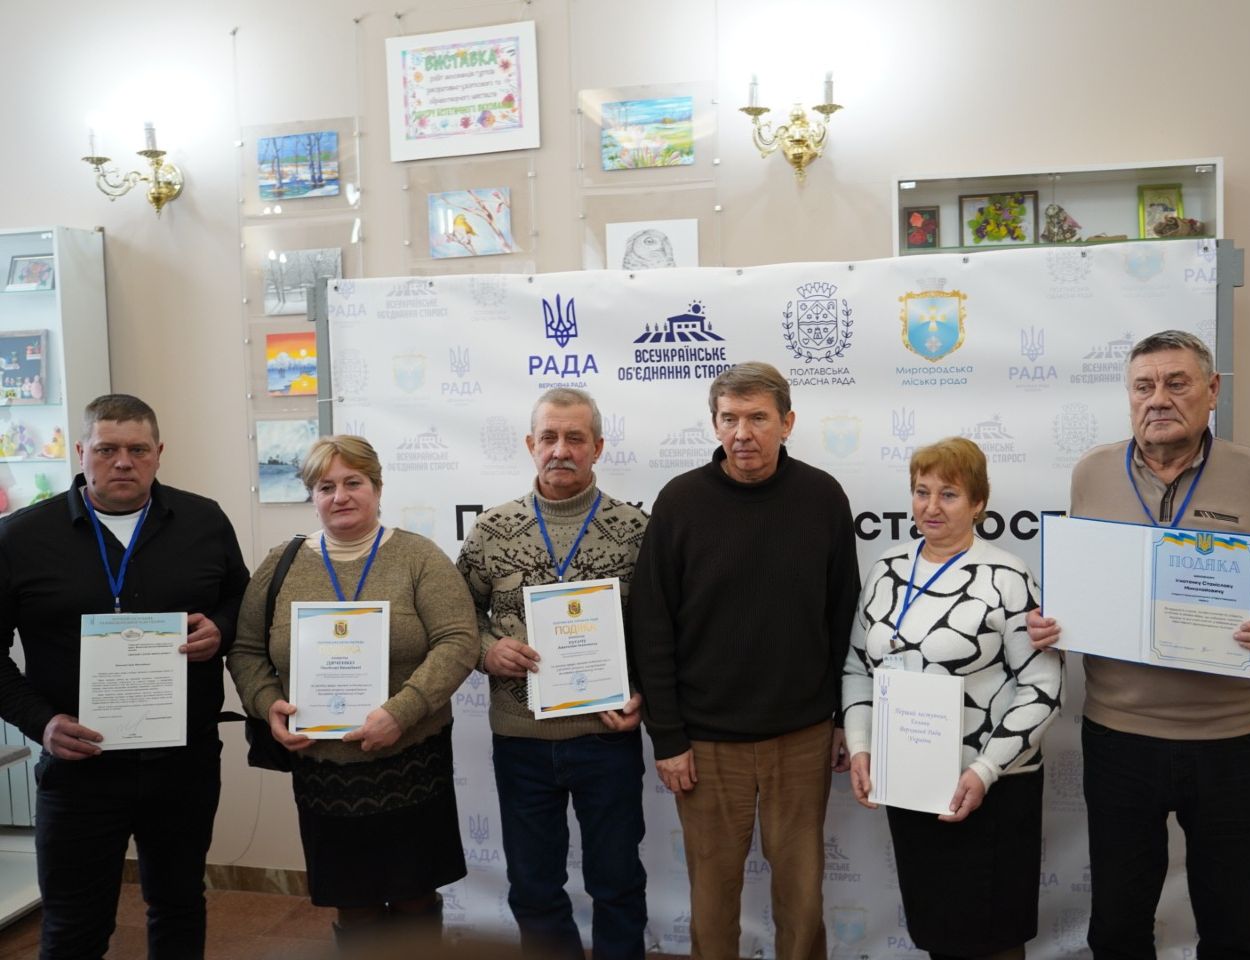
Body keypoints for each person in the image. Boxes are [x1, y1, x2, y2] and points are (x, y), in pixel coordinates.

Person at [1028, 330, 1250, 960]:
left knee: (1234, 929)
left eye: (1176, 383)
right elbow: (1082, 587)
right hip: (1119, 738)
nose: (1158, 398)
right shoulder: (1092, 473)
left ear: (1212, 391)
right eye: (1143, 386)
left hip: (1231, 741)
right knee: (1118, 926)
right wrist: (1054, 622)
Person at [0, 393, 249, 959]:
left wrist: (222, 628)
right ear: (81, 451)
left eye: (138, 449)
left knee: (179, 906)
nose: (122, 462)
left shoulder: (204, 520)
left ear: (159, 452)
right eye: (106, 449)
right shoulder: (21, 537)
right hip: (79, 768)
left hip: (183, 763)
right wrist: (42, 723)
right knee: (73, 929)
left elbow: (242, 597)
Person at [628, 361, 861, 960]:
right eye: (729, 418)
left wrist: (843, 719)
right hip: (705, 744)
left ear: (787, 422)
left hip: (802, 736)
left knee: (802, 901)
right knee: (712, 900)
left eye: (757, 418)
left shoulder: (823, 497)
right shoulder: (680, 502)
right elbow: (652, 627)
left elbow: (843, 616)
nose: (742, 433)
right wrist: (668, 737)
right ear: (714, 424)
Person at [227, 435, 480, 948]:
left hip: (410, 760)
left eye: (353, 482)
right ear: (313, 496)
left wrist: (402, 711)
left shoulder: (418, 557)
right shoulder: (280, 565)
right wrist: (267, 703)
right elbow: (246, 649)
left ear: (377, 488)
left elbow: (459, 641)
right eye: (326, 487)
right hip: (325, 770)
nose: (340, 496)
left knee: (414, 898)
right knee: (353, 902)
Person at [844, 437, 1063, 960]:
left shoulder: (1008, 576)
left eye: (949, 494)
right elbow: (857, 668)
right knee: (936, 930)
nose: (931, 506)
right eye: (922, 492)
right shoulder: (886, 570)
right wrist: (860, 747)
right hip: (911, 782)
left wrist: (984, 772)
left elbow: (1043, 688)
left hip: (992, 786)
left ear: (978, 503)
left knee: (993, 938)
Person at [456, 388, 649, 960]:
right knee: (534, 887)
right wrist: (488, 650)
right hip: (521, 741)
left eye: (575, 438)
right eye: (549, 437)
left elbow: (658, 629)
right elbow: (458, 616)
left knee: (617, 883)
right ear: (529, 444)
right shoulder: (492, 529)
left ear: (598, 447)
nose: (560, 450)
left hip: (606, 736)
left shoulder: (637, 529)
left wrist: (642, 692)